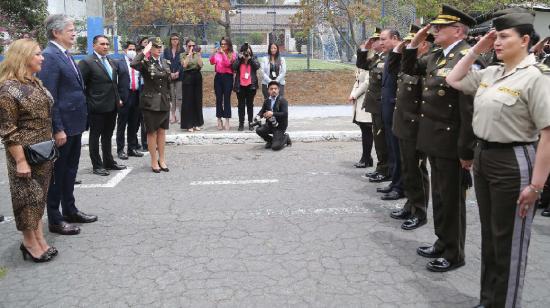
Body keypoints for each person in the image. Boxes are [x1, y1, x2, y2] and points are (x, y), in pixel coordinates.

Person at [446, 12, 550, 307]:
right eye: (496, 36)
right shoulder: (492, 72)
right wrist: (478, 49)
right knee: (491, 238)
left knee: (509, 241)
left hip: (514, 160)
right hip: (485, 157)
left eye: (505, 37)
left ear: (525, 40)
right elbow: (453, 78)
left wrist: (537, 186)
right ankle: (488, 300)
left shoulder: (536, 77)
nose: (498, 42)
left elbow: (547, 134)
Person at [402, 5, 479, 272]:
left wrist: (466, 151)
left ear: (458, 31)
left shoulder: (466, 58)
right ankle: (442, 241)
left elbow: (468, 110)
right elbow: (409, 66)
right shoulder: (436, 56)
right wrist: (415, 42)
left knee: (451, 199)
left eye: (439, 27)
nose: (434, 30)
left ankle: (454, 252)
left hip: (452, 141)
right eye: (433, 26)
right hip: (433, 138)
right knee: (439, 195)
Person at [38, 14, 97, 236]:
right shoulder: (50, 56)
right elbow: (49, 96)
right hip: (63, 127)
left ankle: (70, 209)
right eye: (70, 29)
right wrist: (57, 128)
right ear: (56, 32)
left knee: (70, 171)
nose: (74, 33)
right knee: (58, 174)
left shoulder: (64, 54)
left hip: (74, 124)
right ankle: (55, 218)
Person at [0, 39, 57, 262]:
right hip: (24, 154)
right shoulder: (7, 89)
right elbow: (8, 130)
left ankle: (39, 237)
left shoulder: (34, 82)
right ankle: (29, 242)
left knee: (39, 198)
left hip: (43, 151)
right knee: (26, 199)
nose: (42, 58)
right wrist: (21, 161)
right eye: (37, 54)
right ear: (23, 57)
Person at [389, 25, 433, 230]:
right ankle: (410, 204)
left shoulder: (427, 64)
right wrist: (401, 47)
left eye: (413, 42)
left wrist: (409, 45)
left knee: (416, 170)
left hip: (415, 126)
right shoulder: (412, 64)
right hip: (403, 124)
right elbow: (392, 67)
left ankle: (420, 210)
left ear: (423, 44)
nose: (407, 46)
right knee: (408, 169)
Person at [79, 35, 126, 176]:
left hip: (112, 106)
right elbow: (81, 85)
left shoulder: (111, 61)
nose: (105, 46)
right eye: (102, 44)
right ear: (94, 46)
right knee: (95, 136)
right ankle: (97, 165)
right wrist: (87, 103)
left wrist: (118, 99)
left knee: (107, 135)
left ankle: (109, 161)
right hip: (96, 107)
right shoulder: (87, 62)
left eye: (107, 44)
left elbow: (114, 83)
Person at [131, 37, 172, 173]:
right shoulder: (145, 62)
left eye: (161, 46)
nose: (159, 49)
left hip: (164, 102)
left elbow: (168, 84)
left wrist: (169, 99)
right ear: (150, 48)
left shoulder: (165, 63)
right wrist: (145, 51)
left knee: (162, 131)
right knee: (152, 132)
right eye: (155, 46)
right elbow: (134, 63)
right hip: (150, 103)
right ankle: (154, 161)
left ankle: (162, 159)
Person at [356, 28, 391, 182]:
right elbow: (361, 64)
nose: (377, 42)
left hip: (383, 105)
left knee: (383, 140)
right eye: (376, 39)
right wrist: (365, 46)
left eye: (379, 39)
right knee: (379, 140)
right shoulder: (377, 57)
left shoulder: (389, 57)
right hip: (375, 105)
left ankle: (386, 170)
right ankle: (381, 168)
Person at [377, 28, 404, 200]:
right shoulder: (388, 56)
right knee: (392, 149)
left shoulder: (400, 56)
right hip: (387, 109)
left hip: (396, 110)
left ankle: (400, 186)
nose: (380, 43)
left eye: (383, 39)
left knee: (398, 151)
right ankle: (394, 182)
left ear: (395, 38)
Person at [115, 41, 144, 159]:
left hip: (136, 95)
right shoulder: (118, 63)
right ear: (125, 50)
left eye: (134, 49)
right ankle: (120, 150)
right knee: (122, 124)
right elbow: (114, 82)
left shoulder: (138, 63)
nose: (132, 51)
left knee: (133, 124)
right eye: (130, 49)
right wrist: (118, 98)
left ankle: (132, 148)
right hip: (124, 97)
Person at [349, 59, 373, 168]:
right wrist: (352, 93)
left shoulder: (371, 60)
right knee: (364, 129)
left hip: (366, 99)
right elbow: (357, 81)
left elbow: (367, 82)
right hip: (359, 99)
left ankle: (366, 158)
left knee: (367, 129)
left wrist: (355, 94)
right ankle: (367, 157)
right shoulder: (362, 61)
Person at [255, 81, 291, 151]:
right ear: (268, 90)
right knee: (259, 130)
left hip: (279, 127)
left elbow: (285, 114)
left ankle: (285, 137)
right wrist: (258, 116)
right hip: (270, 125)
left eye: (275, 88)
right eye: (271, 89)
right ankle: (271, 141)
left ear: (278, 90)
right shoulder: (267, 101)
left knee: (275, 147)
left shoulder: (283, 100)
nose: (273, 90)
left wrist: (272, 113)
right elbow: (262, 111)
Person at [233, 42, 261, 131]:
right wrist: (239, 58)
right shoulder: (239, 59)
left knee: (250, 105)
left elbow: (257, 66)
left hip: (251, 85)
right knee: (241, 106)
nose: (246, 52)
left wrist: (250, 58)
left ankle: (250, 123)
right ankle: (241, 123)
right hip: (240, 85)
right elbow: (233, 67)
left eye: (248, 50)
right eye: (244, 50)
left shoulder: (253, 58)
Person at [210, 37, 236, 130]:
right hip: (218, 77)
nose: (223, 46)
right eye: (222, 44)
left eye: (225, 44)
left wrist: (223, 54)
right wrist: (213, 53)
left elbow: (228, 64)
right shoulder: (217, 53)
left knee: (227, 99)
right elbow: (212, 62)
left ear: (228, 45)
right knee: (219, 99)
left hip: (228, 77)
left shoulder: (232, 54)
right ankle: (219, 119)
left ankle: (227, 120)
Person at [180, 38, 204, 131]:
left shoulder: (197, 54)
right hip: (187, 77)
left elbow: (201, 65)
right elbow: (184, 65)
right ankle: (188, 124)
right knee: (188, 101)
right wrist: (189, 55)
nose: (192, 47)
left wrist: (198, 55)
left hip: (197, 76)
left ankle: (197, 123)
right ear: (186, 46)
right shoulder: (182, 54)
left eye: (193, 46)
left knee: (197, 100)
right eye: (189, 46)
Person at [163, 33, 183, 124]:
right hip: (170, 76)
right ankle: (173, 115)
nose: (175, 40)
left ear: (178, 40)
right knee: (172, 96)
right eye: (173, 39)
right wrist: (169, 73)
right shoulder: (167, 50)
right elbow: (164, 62)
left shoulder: (182, 50)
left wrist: (178, 72)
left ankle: (180, 116)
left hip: (179, 76)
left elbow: (182, 63)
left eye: (176, 39)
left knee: (179, 96)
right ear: (170, 40)